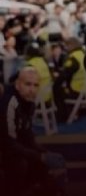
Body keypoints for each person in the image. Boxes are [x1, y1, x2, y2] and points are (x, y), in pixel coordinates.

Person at [0, 67, 66, 195]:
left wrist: (44, 153)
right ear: (18, 85)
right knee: (20, 164)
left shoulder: (29, 101)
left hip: (14, 145)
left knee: (44, 162)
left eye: (36, 85)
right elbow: (8, 144)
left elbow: (27, 135)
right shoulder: (9, 102)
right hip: (5, 147)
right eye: (28, 84)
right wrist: (40, 156)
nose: (32, 89)